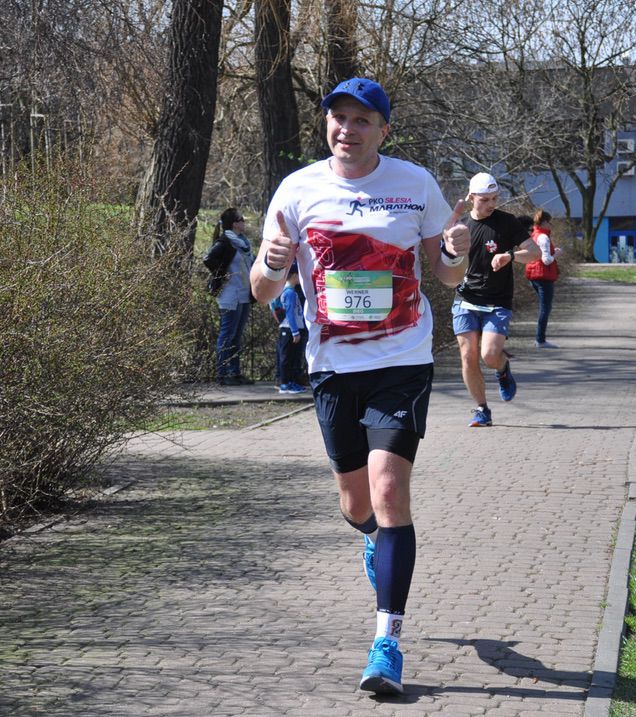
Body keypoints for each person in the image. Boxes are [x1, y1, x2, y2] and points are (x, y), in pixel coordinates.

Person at [250, 77, 470, 695]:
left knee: (389, 488)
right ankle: (375, 540)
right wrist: (272, 263)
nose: (347, 129)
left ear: (383, 130)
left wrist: (457, 253)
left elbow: (446, 276)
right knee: (357, 505)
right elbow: (262, 291)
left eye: (361, 120)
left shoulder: (414, 184)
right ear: (327, 125)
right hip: (332, 366)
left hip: (401, 360)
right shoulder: (297, 190)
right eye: (338, 118)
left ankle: (386, 642)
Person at [451, 173, 539, 427]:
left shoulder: (507, 222)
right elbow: (446, 258)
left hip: (497, 302)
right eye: (485, 199)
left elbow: (534, 252)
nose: (491, 204)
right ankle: (481, 409)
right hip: (465, 299)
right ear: (471, 197)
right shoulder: (461, 226)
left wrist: (510, 256)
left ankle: (502, 369)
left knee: (489, 355)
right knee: (468, 356)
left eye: (494, 198)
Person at [207, 208, 256, 385]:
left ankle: (235, 373)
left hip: (243, 294)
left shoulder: (243, 243)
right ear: (235, 223)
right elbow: (208, 259)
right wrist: (221, 273)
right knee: (227, 335)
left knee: (236, 336)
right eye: (242, 219)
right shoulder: (225, 241)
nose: (244, 222)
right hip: (230, 295)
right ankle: (222, 374)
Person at [523, 208, 563, 349]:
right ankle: (540, 340)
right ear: (544, 222)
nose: (551, 225)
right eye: (550, 222)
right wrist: (557, 254)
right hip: (543, 275)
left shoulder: (534, 235)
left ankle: (540, 339)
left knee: (544, 307)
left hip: (533, 274)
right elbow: (546, 260)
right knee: (545, 308)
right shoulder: (543, 238)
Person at [275, 264, 308, 394]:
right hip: (288, 329)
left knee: (293, 357)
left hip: (293, 328)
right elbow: (290, 313)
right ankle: (285, 384)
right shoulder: (289, 292)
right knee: (286, 357)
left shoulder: (292, 291)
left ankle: (291, 382)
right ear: (294, 275)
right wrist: (295, 331)